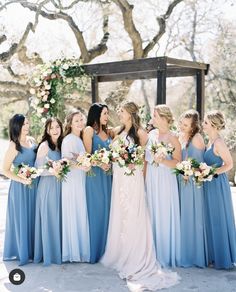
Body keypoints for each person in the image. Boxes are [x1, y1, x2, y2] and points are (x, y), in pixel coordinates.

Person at [101, 102, 180, 292]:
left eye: (121, 111)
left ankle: (134, 255)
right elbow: (112, 151)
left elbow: (143, 158)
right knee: (121, 214)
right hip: (119, 178)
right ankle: (120, 253)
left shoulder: (141, 133)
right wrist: (108, 159)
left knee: (133, 215)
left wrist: (137, 171)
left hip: (132, 178)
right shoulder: (118, 130)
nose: (119, 113)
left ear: (130, 113)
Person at [145, 104, 181, 267]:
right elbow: (146, 160)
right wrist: (144, 181)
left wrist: (163, 160)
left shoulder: (173, 138)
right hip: (152, 177)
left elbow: (178, 163)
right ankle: (153, 253)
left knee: (164, 212)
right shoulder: (151, 134)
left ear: (165, 118)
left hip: (166, 179)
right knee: (152, 212)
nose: (152, 118)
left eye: (155, 115)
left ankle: (166, 254)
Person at [202, 110, 236, 269]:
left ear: (214, 125)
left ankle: (223, 258)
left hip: (217, 184)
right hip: (209, 183)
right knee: (210, 218)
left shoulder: (219, 143)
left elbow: (229, 164)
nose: (203, 125)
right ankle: (214, 255)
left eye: (206, 123)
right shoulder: (210, 141)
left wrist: (210, 172)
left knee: (218, 218)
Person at [3, 114, 37, 265]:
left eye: (28, 123)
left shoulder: (32, 141)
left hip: (35, 187)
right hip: (20, 189)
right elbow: (4, 170)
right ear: (16, 126)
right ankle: (22, 252)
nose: (27, 126)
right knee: (23, 218)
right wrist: (22, 179)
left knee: (34, 217)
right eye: (23, 124)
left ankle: (35, 250)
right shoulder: (13, 145)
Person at [178, 109, 208, 267]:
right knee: (185, 217)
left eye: (186, 125)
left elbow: (203, 166)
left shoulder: (197, 138)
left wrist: (191, 171)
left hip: (194, 183)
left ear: (193, 126)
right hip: (183, 181)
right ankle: (186, 253)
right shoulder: (183, 136)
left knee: (194, 217)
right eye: (182, 123)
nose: (182, 126)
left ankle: (196, 256)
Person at [83, 103, 112, 263]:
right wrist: (100, 163)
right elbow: (86, 156)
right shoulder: (89, 131)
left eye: (108, 113)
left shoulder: (108, 132)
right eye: (105, 113)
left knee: (108, 212)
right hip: (95, 177)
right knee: (97, 212)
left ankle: (108, 251)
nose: (107, 116)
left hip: (108, 176)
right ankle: (95, 252)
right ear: (96, 114)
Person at [61, 111, 90, 262]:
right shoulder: (69, 139)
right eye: (76, 120)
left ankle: (80, 250)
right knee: (73, 211)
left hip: (79, 179)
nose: (80, 123)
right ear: (70, 123)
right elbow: (65, 160)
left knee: (79, 211)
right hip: (72, 181)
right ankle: (73, 252)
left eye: (81, 120)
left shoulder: (78, 139)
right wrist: (81, 166)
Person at [34, 117, 63, 266]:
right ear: (47, 130)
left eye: (57, 126)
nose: (55, 130)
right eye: (52, 128)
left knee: (58, 218)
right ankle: (49, 253)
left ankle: (59, 250)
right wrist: (53, 171)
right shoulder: (44, 146)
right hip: (47, 187)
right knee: (49, 218)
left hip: (59, 186)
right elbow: (38, 169)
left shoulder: (60, 144)